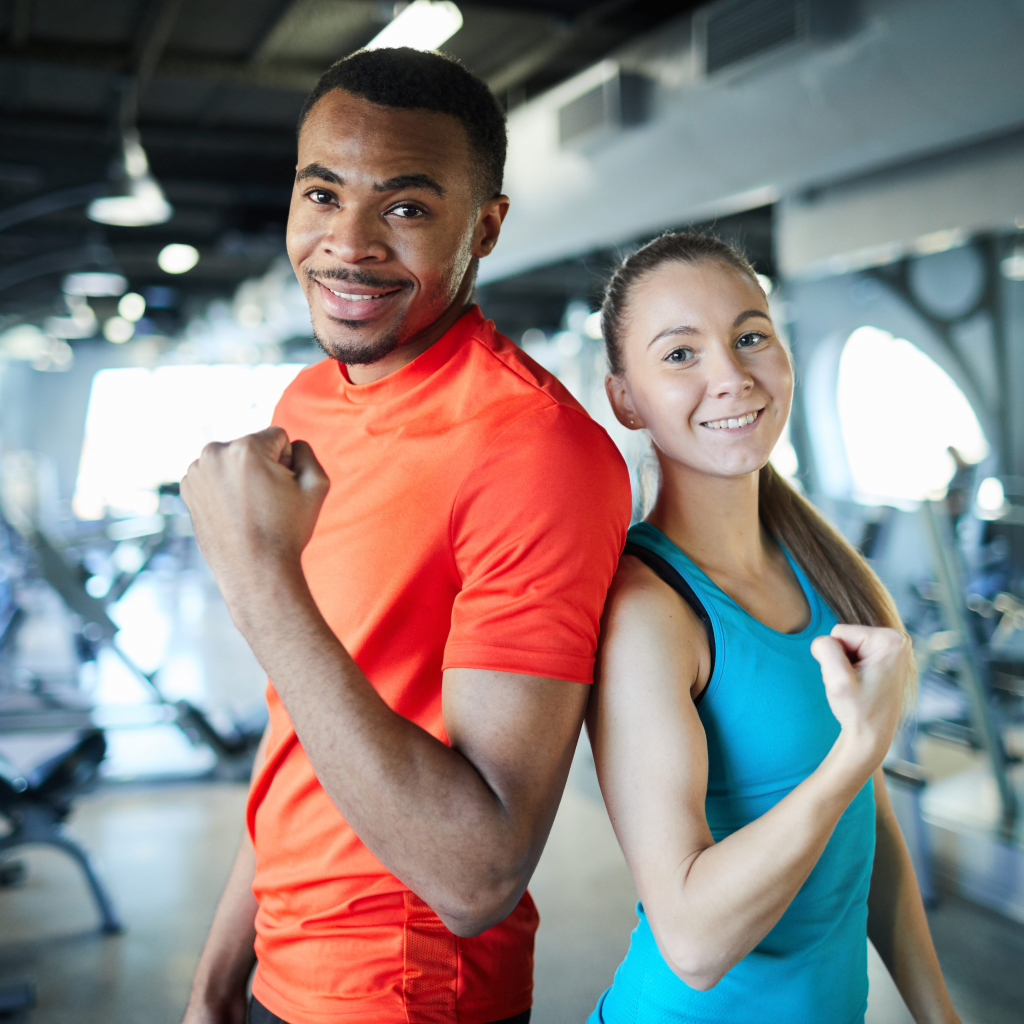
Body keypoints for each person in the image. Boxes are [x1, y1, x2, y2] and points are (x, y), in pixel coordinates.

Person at [179, 48, 631, 1024]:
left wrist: (257, 581)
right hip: (279, 972)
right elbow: (304, 727)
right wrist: (218, 981)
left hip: (406, 995)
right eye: (322, 193)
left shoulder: (537, 451)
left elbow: (477, 877)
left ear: (487, 226)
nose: (348, 243)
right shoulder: (310, 399)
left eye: (405, 207)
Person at [587, 232, 961, 1024]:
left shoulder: (819, 566)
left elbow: (867, 819)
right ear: (626, 398)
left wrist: (939, 1013)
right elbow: (691, 942)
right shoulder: (648, 612)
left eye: (750, 336)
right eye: (681, 355)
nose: (731, 376)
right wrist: (856, 749)